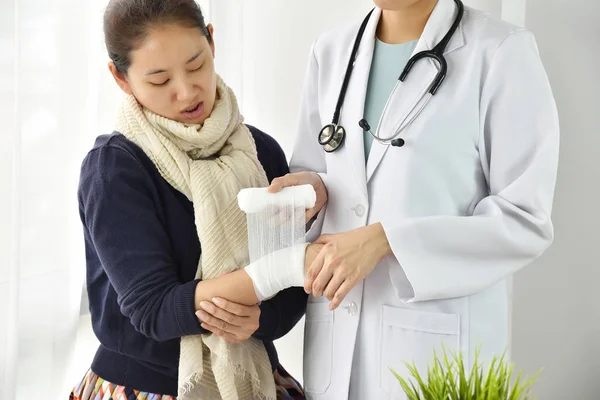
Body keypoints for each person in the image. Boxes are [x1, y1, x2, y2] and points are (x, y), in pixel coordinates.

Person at [268, 0, 560, 398]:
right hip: (336, 342)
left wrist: (388, 240)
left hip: (436, 349)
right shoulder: (331, 51)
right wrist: (315, 189)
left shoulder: (499, 51)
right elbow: (325, 174)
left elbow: (525, 218)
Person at [70, 0, 315, 399]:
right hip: (141, 385)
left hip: (256, 377)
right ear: (121, 78)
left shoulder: (260, 154)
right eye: (160, 80)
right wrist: (275, 275)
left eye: (196, 64)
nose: (186, 91)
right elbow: (151, 309)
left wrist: (259, 318)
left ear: (212, 42)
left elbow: (292, 293)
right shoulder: (115, 169)